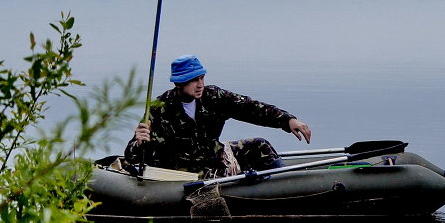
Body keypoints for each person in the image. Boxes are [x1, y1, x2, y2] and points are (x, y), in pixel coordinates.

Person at [125, 54, 312, 177]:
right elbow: (135, 155)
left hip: (216, 158)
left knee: (259, 145)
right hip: (185, 173)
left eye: (201, 78)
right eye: (193, 80)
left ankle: (287, 184)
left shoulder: (214, 97)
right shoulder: (159, 109)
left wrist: (287, 120)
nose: (199, 85)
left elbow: (250, 108)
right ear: (179, 83)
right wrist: (140, 143)